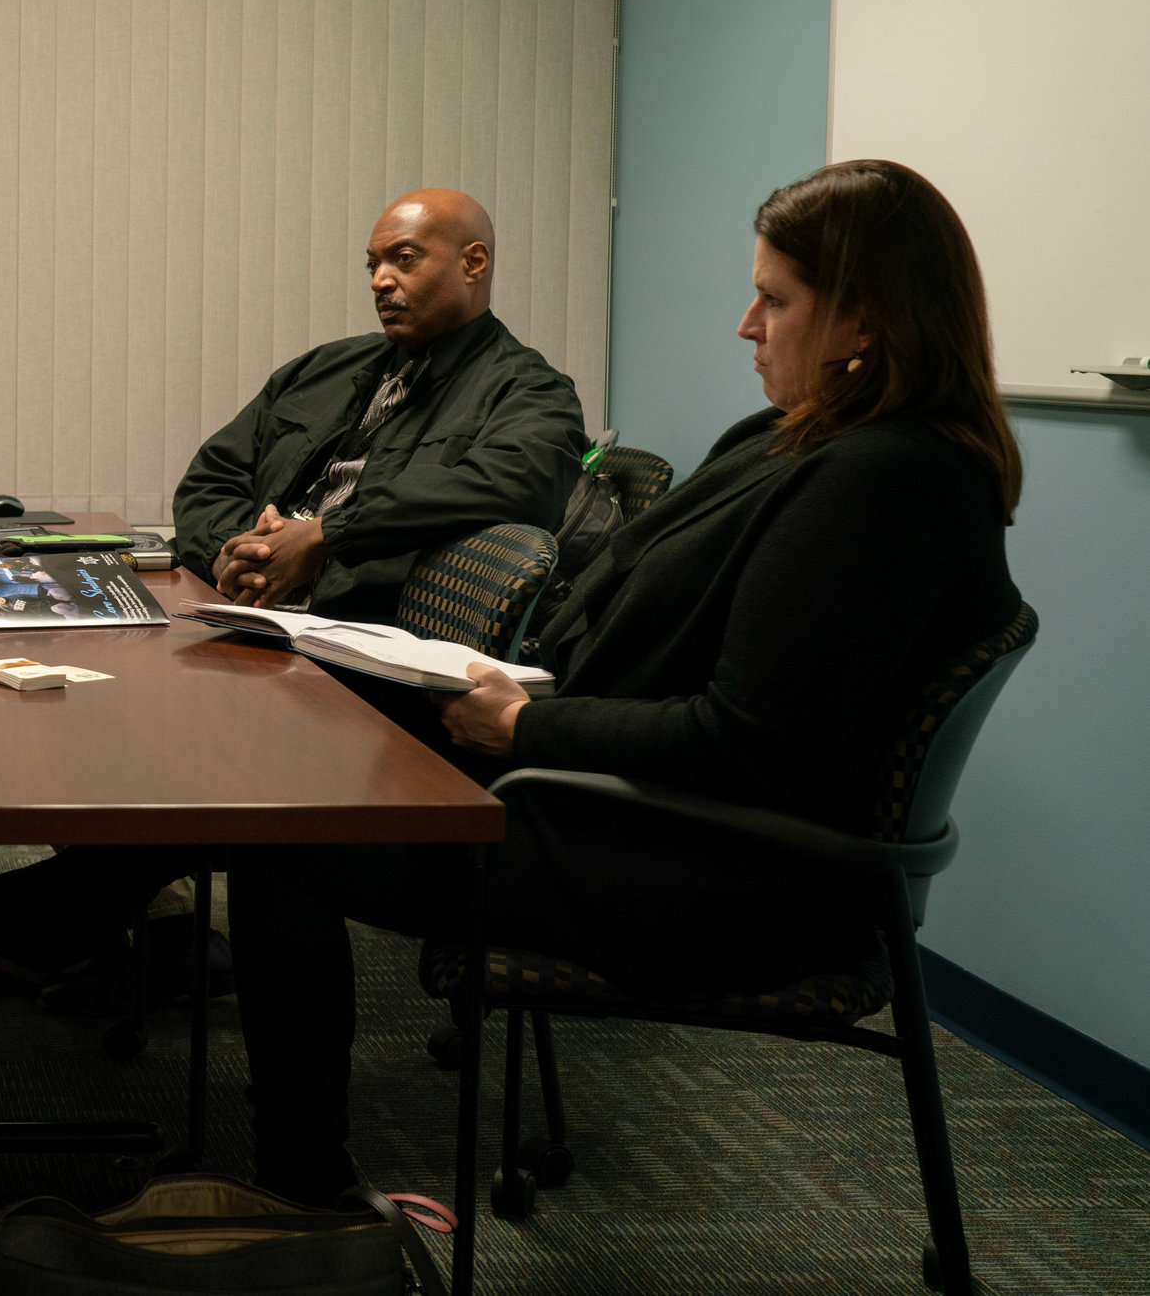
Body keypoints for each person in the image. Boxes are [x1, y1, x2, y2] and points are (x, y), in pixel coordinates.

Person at [228, 159, 1024, 1202]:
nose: (746, 325)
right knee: (299, 730)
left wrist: (526, 731)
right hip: (626, 803)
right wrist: (510, 686)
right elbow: (631, 609)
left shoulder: (887, 484)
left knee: (278, 831)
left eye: (775, 300)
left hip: (716, 870)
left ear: (863, 320)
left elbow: (741, 743)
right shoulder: (795, 445)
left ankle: (303, 1192)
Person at [0, 189, 587, 989]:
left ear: (473, 262)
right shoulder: (325, 369)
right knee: (92, 683)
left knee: (207, 752)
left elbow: (521, 479)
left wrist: (329, 537)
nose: (380, 279)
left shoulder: (529, 390)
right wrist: (236, 551)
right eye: (373, 263)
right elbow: (211, 476)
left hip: (366, 664)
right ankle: (131, 930)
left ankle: (51, 922)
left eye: (403, 259)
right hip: (256, 624)